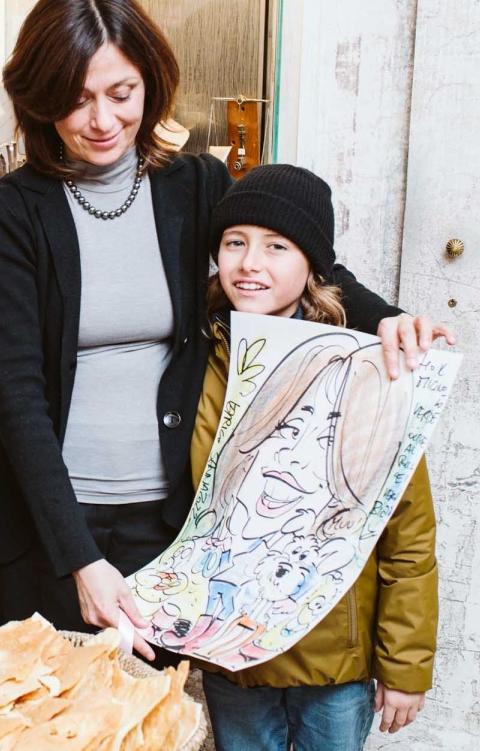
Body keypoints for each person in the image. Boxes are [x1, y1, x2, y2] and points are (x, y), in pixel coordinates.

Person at [0, 0, 434, 662]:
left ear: (150, 83)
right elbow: (18, 392)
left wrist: (383, 316)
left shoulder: (195, 186)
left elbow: (290, 253)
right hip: (47, 532)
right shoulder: (12, 211)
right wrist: (80, 558)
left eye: (121, 93)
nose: (102, 120)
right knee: (45, 709)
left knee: (153, 713)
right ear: (41, 98)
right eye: (76, 98)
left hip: (171, 526)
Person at [187, 164, 445, 750]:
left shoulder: (369, 369)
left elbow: (407, 532)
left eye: (277, 246)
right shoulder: (199, 359)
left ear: (314, 265)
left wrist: (405, 666)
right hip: (232, 652)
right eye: (234, 243)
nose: (250, 263)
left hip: (334, 662)